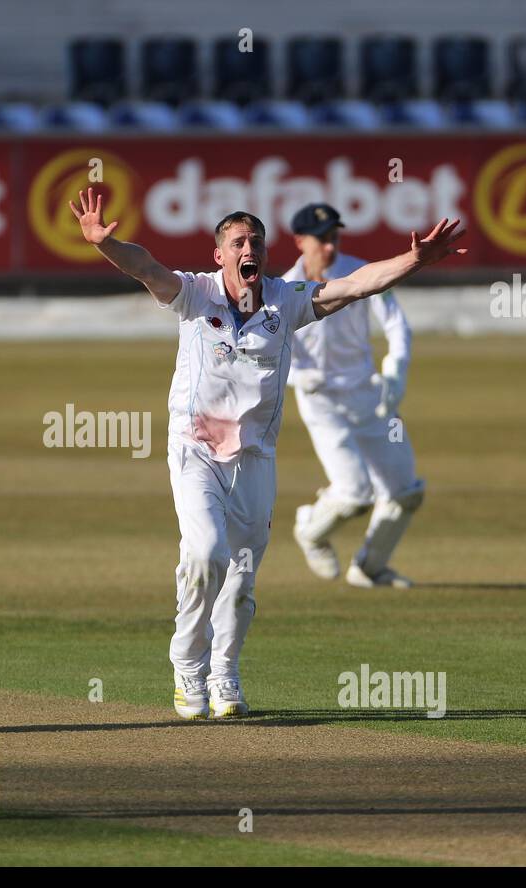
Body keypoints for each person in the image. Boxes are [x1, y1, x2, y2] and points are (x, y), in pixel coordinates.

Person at [69, 187, 464, 719]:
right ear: (220, 255)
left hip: (254, 459)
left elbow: (355, 285)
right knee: (205, 554)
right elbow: (147, 268)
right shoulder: (195, 293)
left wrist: (414, 259)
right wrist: (105, 244)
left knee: (241, 577)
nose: (247, 247)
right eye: (237, 241)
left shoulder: (285, 300)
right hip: (196, 450)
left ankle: (225, 675)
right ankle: (188, 667)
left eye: (255, 240)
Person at [284, 203, 425, 588]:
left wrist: (395, 368)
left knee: (405, 492)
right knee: (354, 495)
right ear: (300, 241)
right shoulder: (283, 289)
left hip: (370, 395)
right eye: (321, 239)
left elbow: (397, 325)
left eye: (335, 238)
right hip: (321, 400)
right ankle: (310, 532)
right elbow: (271, 349)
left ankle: (370, 568)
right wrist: (299, 376)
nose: (330, 247)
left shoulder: (361, 273)